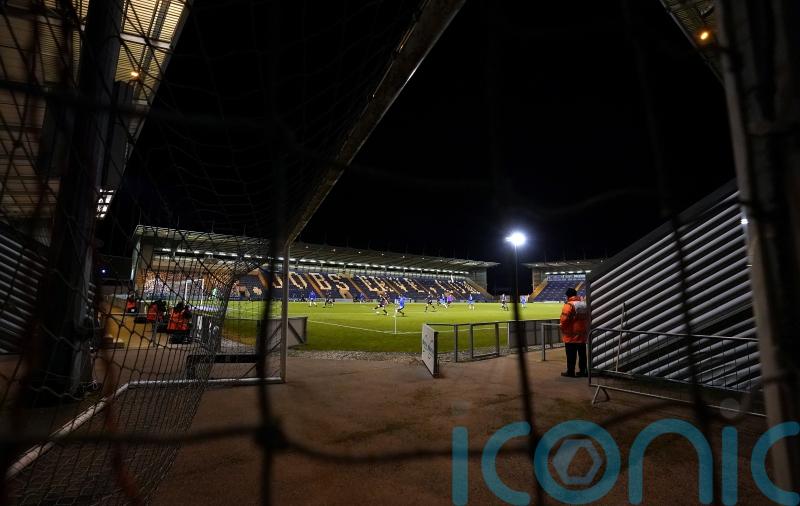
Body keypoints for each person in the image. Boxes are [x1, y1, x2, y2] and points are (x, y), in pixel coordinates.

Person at [559, 288, 589, 377]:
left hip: (571, 335)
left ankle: (570, 371)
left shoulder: (569, 305)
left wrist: (562, 328)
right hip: (582, 335)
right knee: (582, 354)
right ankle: (583, 371)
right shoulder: (583, 304)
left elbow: (564, 320)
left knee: (571, 355)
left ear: (568, 296)